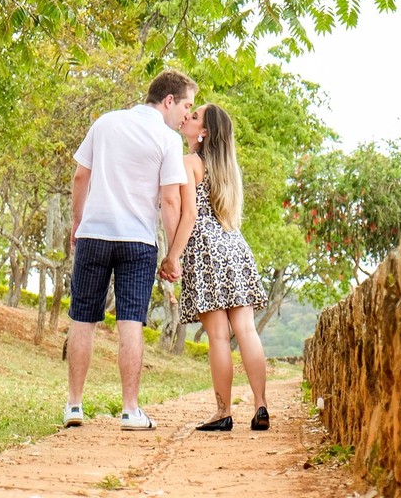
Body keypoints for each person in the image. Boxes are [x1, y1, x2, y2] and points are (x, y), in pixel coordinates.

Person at [64, 70, 196, 431]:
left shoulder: (105, 122)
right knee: (130, 324)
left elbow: (80, 177)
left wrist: (78, 221)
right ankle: (130, 410)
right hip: (137, 242)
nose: (187, 114)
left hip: (93, 234)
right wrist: (172, 256)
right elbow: (170, 200)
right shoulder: (167, 140)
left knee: (82, 319)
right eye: (186, 105)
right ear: (168, 101)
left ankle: (74, 406)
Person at [160, 103, 270, 432]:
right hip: (234, 246)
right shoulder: (227, 169)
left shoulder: (189, 163)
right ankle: (261, 404)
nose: (188, 119)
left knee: (219, 338)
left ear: (204, 132)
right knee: (247, 331)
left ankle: (223, 411)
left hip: (205, 248)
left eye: (194, 118)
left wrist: (173, 255)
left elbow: (188, 214)